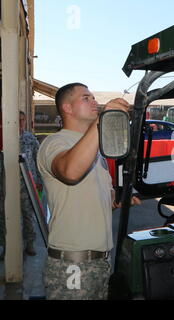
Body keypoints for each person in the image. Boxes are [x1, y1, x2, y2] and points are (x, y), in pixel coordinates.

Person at [37, 83, 141, 300]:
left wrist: (115, 203)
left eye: (93, 97)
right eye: (86, 98)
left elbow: (89, 199)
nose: (94, 101)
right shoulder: (54, 143)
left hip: (99, 263)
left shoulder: (93, 150)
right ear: (67, 108)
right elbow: (70, 171)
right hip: (72, 264)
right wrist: (103, 120)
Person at [19, 111, 42, 256]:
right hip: (7, 185)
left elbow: (38, 160)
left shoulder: (30, 138)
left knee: (28, 215)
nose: (20, 123)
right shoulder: (4, 137)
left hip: (28, 183)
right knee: (6, 216)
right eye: (17, 120)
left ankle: (30, 244)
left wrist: (39, 181)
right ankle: (7, 246)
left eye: (22, 120)